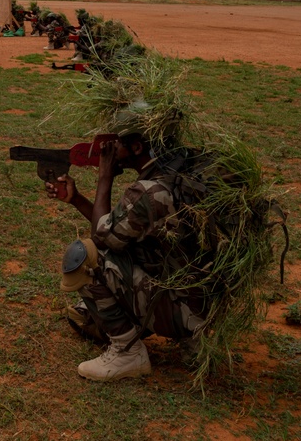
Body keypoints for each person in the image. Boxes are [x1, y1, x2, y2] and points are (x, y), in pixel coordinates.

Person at [45, 133, 208, 382]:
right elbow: (118, 230)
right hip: (200, 304)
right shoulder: (180, 174)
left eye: (116, 143)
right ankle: (190, 339)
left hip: (180, 309)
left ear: (136, 146)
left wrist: (105, 176)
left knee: (85, 257)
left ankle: (128, 351)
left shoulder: (149, 192)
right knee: (84, 315)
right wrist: (76, 199)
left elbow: (101, 240)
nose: (109, 149)